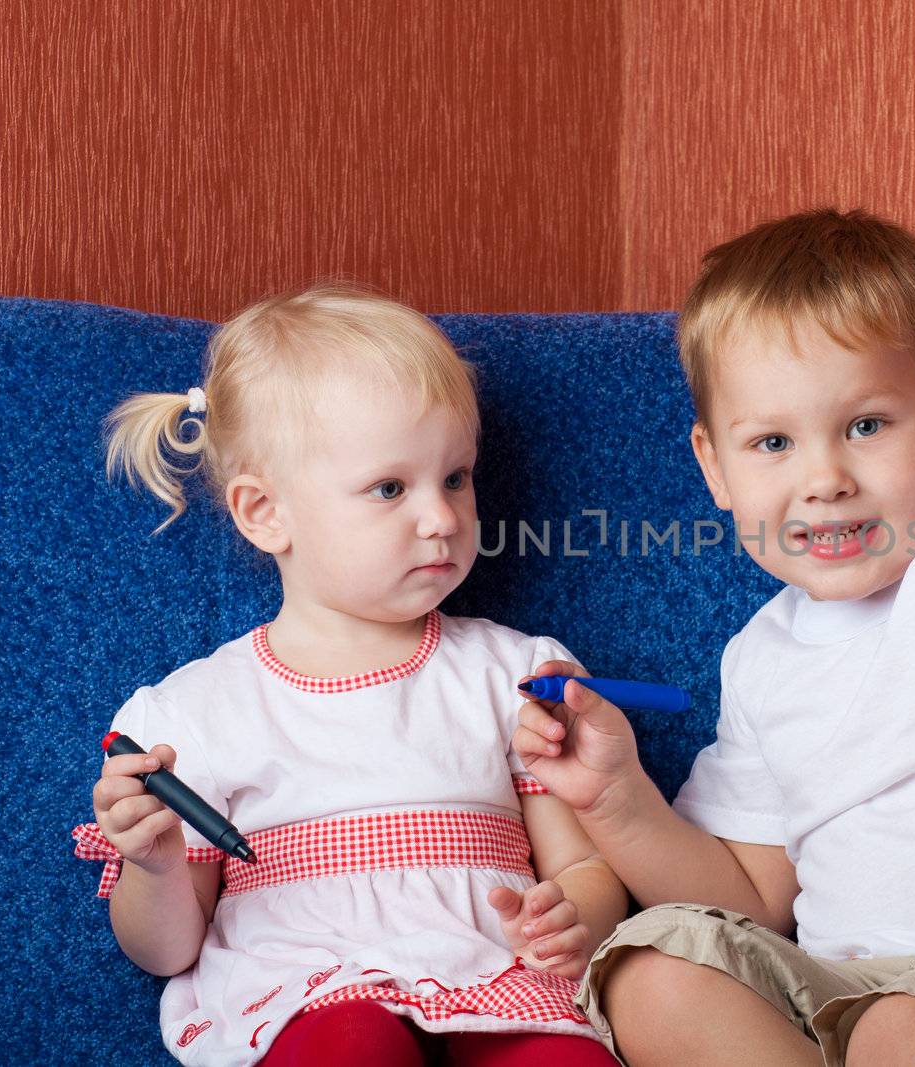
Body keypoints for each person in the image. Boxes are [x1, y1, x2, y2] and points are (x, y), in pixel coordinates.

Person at [509, 32, 915, 1067]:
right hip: (826, 986)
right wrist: (616, 798)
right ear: (716, 471)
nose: (822, 477)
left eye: (867, 425)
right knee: (648, 963)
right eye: (772, 443)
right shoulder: (762, 658)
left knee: (902, 1028)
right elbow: (753, 893)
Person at [73, 285, 625, 1066]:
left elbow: (582, 865)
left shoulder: (516, 672)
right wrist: (153, 863)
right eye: (391, 488)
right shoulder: (196, 713)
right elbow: (167, 951)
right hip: (309, 991)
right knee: (352, 1045)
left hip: (496, 977)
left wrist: (576, 913)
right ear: (265, 512)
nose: (441, 517)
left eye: (457, 477)